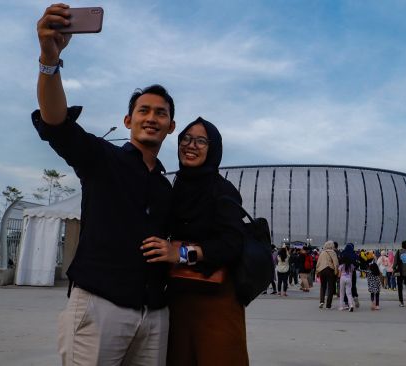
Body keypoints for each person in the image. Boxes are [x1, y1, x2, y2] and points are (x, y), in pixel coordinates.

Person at [34, 4, 174, 364]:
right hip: (99, 307)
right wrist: (49, 60)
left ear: (171, 126)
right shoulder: (102, 159)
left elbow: (202, 242)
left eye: (161, 113)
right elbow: (57, 123)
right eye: (144, 110)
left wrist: (182, 252)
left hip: (155, 314)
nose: (152, 118)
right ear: (128, 120)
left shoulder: (166, 188)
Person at [141, 117, 250, 364]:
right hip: (178, 297)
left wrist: (180, 254)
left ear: (213, 149)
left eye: (201, 141)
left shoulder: (222, 190)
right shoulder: (175, 187)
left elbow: (232, 243)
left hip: (215, 297)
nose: (191, 145)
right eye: (186, 139)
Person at [316, 241, 339, 309]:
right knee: (330, 287)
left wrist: (317, 271)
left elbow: (318, 263)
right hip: (330, 270)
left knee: (323, 286)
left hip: (322, 270)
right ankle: (328, 305)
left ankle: (321, 301)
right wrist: (336, 271)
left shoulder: (322, 253)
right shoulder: (333, 252)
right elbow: (336, 262)